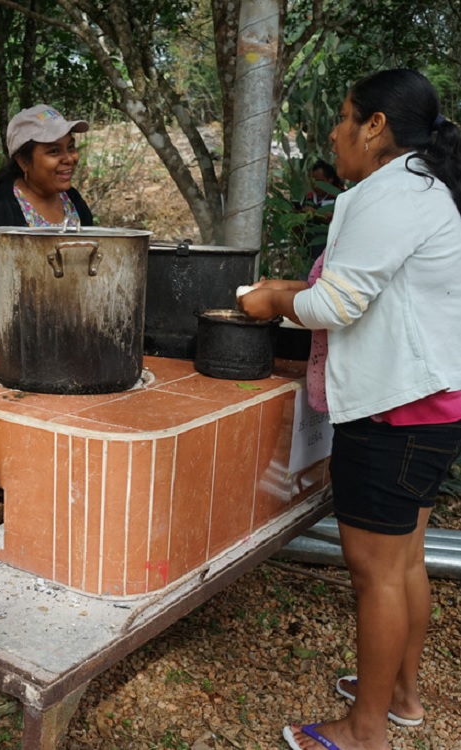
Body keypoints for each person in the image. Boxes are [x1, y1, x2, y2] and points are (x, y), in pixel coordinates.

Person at [238, 69, 461, 750]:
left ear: (374, 126)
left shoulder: (388, 192)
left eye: (342, 117)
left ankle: (363, 732)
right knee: (403, 563)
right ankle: (399, 696)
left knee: (375, 573)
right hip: (432, 407)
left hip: (394, 415)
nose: (333, 132)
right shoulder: (427, 190)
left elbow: (336, 305)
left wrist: (275, 300)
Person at [0, 104, 94, 346]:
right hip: (11, 345)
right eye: (54, 151)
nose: (69, 158)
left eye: (70, 147)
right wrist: (26, 319)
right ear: (23, 161)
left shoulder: (73, 201)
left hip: (67, 339)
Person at [296, 159, 345, 266]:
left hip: (331, 258)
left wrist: (315, 213)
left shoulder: (341, 198)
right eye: (313, 181)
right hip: (308, 255)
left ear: (330, 180)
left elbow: (338, 220)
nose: (315, 186)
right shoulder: (308, 198)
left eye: (320, 181)